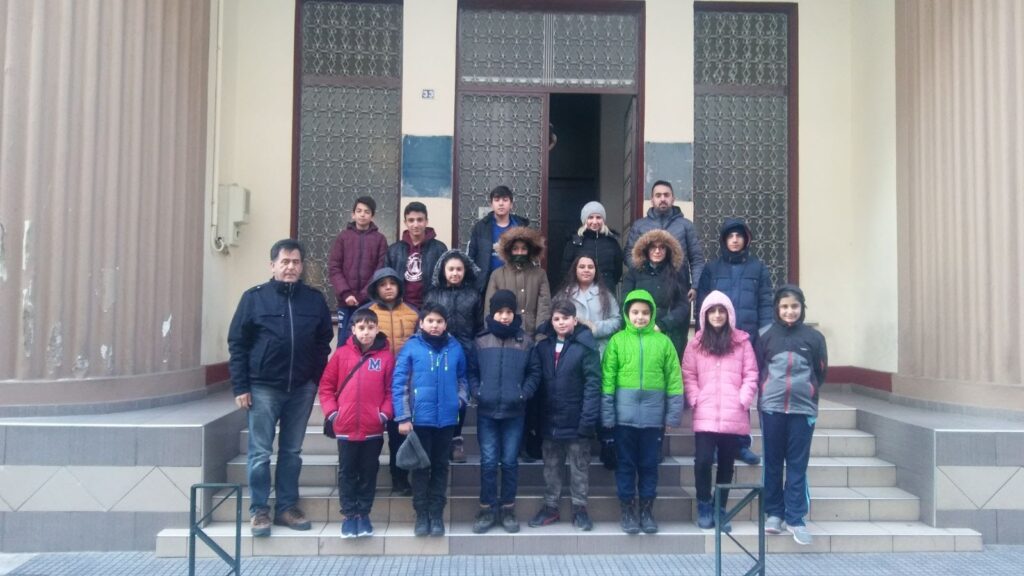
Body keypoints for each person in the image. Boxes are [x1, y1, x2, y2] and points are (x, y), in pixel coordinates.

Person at [228, 239, 333, 537]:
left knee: (291, 451)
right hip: (263, 388)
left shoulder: (314, 299)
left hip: (301, 388)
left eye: (295, 262)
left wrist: (315, 378)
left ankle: (287, 507)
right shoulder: (254, 298)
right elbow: (238, 344)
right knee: (260, 452)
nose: (290, 267)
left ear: (302, 266)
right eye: (284, 262)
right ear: (272, 265)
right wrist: (241, 386)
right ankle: (259, 510)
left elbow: (323, 340)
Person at [601, 289, 684, 535]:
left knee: (649, 466)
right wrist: (607, 414)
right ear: (627, 314)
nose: (640, 317)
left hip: (652, 419)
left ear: (652, 314)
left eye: (645, 313)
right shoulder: (617, 341)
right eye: (635, 312)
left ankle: (647, 510)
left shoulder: (663, 342)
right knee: (625, 465)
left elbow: (674, 379)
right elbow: (608, 379)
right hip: (623, 419)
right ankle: (627, 509)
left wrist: (673, 414)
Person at [695, 217, 774, 466]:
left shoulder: (758, 269)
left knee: (741, 392)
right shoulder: (712, 269)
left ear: (746, 239)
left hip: (746, 340)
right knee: (716, 389)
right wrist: (702, 334)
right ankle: (714, 443)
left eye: (739, 235)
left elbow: (765, 303)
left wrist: (765, 336)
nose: (735, 240)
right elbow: (702, 304)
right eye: (730, 236)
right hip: (716, 338)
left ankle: (740, 443)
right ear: (724, 240)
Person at [756, 285, 828, 546]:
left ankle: (796, 518)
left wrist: (808, 391)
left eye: (794, 306)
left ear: (802, 308)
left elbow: (821, 371)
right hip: (772, 409)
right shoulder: (765, 335)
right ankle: (774, 513)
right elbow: (758, 368)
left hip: (802, 410)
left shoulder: (814, 338)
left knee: (797, 464)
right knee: (773, 462)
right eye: (785, 306)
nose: (789, 311)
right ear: (777, 308)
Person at [682, 291, 758, 533]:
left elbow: (751, 374)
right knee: (703, 460)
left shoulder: (741, 342)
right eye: (712, 311)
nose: (717, 315)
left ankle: (720, 508)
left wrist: (742, 400)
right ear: (705, 315)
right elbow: (688, 374)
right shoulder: (696, 344)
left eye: (721, 311)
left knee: (726, 462)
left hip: (733, 413)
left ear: (729, 314)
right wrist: (695, 398)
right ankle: (704, 505)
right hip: (705, 412)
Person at [392, 303, 469, 537]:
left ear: (445, 324)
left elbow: (463, 379)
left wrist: (459, 400)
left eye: (439, 321)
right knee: (420, 468)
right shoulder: (411, 347)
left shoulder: (455, 348)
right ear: (422, 323)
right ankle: (421, 514)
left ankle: (436, 514)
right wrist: (403, 416)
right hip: (419, 420)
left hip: (446, 420)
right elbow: (399, 383)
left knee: (440, 466)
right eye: (430, 321)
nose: (434, 325)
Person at [469, 290, 542, 534]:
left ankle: (508, 509)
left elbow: (534, 373)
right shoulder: (480, 340)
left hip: (514, 412)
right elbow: (472, 371)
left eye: (508, 311)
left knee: (510, 462)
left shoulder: (525, 341)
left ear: (515, 313)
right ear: (492, 313)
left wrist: (523, 393)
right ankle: (487, 509)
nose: (504, 316)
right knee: (489, 462)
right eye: (500, 312)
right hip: (487, 412)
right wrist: (477, 391)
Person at [318, 308, 394, 538]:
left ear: (377, 329)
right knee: (347, 472)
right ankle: (349, 514)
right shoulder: (341, 355)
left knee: (368, 471)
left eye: (370, 327)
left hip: (373, 428)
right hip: (346, 427)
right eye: (361, 328)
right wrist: (333, 413)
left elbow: (391, 390)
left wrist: (383, 414)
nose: (366, 332)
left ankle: (363, 513)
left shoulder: (386, 358)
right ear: (352, 330)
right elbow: (326, 387)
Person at [528, 300, 601, 531]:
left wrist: (588, 419)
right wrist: (534, 421)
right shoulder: (542, 347)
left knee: (579, 467)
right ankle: (551, 507)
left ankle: (580, 508)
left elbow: (593, 385)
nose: (561, 323)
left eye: (566, 318)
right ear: (551, 322)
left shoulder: (586, 346)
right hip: (550, 418)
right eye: (557, 319)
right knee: (551, 466)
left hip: (577, 418)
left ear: (575, 320)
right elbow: (537, 383)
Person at [555, 254, 621, 471]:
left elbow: (617, 321)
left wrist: (596, 327)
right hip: (572, 353)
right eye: (581, 266)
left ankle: (606, 443)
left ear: (595, 270)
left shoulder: (605, 294)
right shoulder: (565, 294)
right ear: (575, 269)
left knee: (599, 397)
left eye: (590, 267)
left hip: (598, 353)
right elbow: (554, 319)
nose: (586, 270)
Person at [362, 267, 419, 496]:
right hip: (374, 382)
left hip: (403, 384)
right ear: (376, 288)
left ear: (399, 287)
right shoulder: (367, 313)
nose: (388, 288)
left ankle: (400, 479)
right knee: (371, 436)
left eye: (392, 283)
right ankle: (366, 481)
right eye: (383, 284)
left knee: (398, 435)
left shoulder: (413, 313)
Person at [424, 249, 483, 463]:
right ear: (443, 271)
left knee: (460, 397)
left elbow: (479, 326)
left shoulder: (473, 295)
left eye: (459, 269)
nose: (455, 273)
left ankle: (456, 439)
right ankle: (438, 438)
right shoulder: (433, 295)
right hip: (438, 352)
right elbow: (426, 323)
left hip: (464, 352)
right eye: (451, 269)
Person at [623, 180, 705, 304]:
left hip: (678, 291)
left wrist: (695, 286)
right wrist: (643, 273)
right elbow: (629, 254)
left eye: (666, 195)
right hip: (645, 289)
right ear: (652, 200)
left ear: (673, 199)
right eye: (658, 195)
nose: (662, 199)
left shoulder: (686, 226)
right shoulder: (639, 226)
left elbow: (697, 259)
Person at [328, 196, 388, 343]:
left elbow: (380, 270)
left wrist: (363, 295)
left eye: (367, 212)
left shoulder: (380, 239)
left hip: (369, 302)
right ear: (353, 214)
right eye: (359, 211)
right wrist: (346, 294)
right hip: (345, 302)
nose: (362, 215)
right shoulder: (343, 237)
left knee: (367, 340)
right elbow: (334, 267)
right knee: (344, 341)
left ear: (372, 216)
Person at [623, 229, 691, 357]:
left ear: (668, 250)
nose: (657, 251)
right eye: (653, 247)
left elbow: (683, 305)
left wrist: (663, 324)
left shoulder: (677, 272)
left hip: (667, 333)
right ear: (646, 249)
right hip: (638, 330)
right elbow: (625, 301)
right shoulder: (634, 272)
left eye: (662, 248)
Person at [484, 226, 552, 339]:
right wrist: (492, 336)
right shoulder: (497, 275)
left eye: (524, 249)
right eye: (515, 249)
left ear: (530, 251)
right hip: (505, 336)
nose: (519, 252)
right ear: (509, 250)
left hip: (531, 334)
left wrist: (541, 337)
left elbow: (544, 308)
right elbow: (489, 309)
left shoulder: (540, 274)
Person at [386, 202, 448, 309]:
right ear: (405, 222)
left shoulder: (439, 248)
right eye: (411, 220)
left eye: (420, 220)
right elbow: (387, 279)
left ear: (426, 221)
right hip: (401, 307)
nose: (415, 225)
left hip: (431, 307)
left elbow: (445, 280)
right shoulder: (394, 250)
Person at [467, 185, 529, 291]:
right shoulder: (481, 227)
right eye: (496, 200)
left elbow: (528, 256)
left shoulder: (520, 227)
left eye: (505, 200)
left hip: (514, 281)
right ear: (491, 204)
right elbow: (471, 257)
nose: (501, 203)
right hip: (486, 283)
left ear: (511, 204)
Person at [560, 201, 623, 291]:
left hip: (606, 290)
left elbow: (618, 271)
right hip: (580, 290)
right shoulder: (574, 242)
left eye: (598, 217)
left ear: (603, 220)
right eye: (590, 217)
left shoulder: (612, 242)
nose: (594, 221)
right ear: (584, 220)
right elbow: (565, 271)